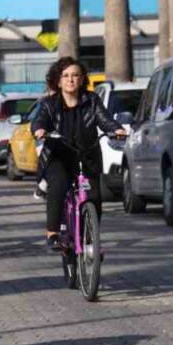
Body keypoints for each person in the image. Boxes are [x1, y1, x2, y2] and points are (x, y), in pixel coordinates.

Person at [31, 58, 126, 251]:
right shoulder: (50, 104)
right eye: (65, 76)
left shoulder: (92, 100)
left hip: (87, 156)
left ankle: (90, 237)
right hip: (58, 156)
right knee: (58, 185)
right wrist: (40, 129)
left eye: (75, 75)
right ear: (58, 81)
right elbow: (39, 120)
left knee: (94, 197)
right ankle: (53, 234)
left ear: (82, 79)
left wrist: (116, 129)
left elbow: (105, 119)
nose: (70, 80)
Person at [34, 59, 67, 201]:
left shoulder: (80, 99)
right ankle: (44, 184)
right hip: (48, 140)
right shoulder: (45, 102)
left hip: (71, 142)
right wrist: (40, 129)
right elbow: (38, 121)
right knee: (51, 165)